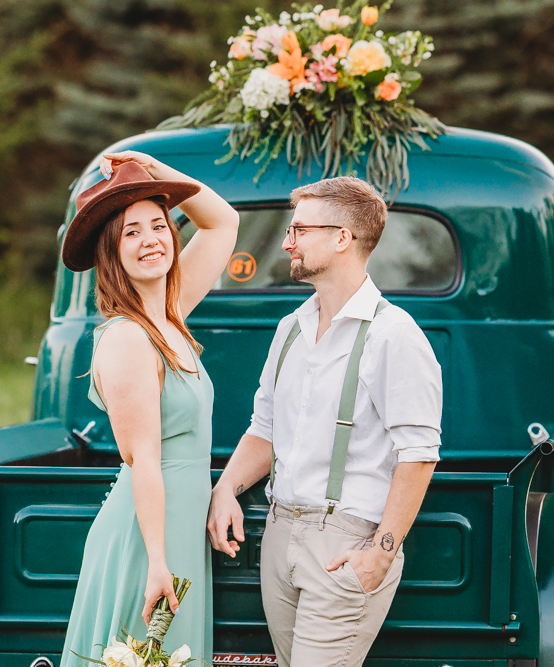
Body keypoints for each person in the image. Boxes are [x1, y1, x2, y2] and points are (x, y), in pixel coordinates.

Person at [207, 177, 443, 667]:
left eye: (300, 230)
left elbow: (418, 454)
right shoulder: (290, 328)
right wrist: (226, 488)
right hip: (278, 537)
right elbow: (264, 427)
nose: (287, 241)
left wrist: (379, 553)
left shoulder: (394, 335)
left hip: (344, 543)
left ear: (343, 238)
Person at [59, 151, 238, 667]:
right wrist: (158, 561)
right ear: (111, 252)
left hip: (178, 528)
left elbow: (224, 221)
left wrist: (155, 169)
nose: (150, 240)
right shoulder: (127, 338)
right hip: (147, 539)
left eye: (158, 226)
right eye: (131, 232)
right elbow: (144, 460)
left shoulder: (170, 315)